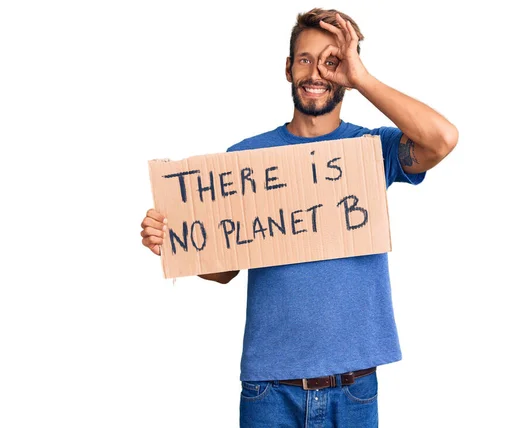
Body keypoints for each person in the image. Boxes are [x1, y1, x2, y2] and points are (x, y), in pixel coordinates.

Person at [140, 8, 457, 427]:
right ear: (288, 69)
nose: (316, 73)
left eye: (332, 61)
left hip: (354, 388)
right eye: (305, 59)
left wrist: (361, 78)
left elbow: (442, 139)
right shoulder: (247, 159)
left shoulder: (372, 150)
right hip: (270, 390)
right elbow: (226, 270)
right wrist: (177, 243)